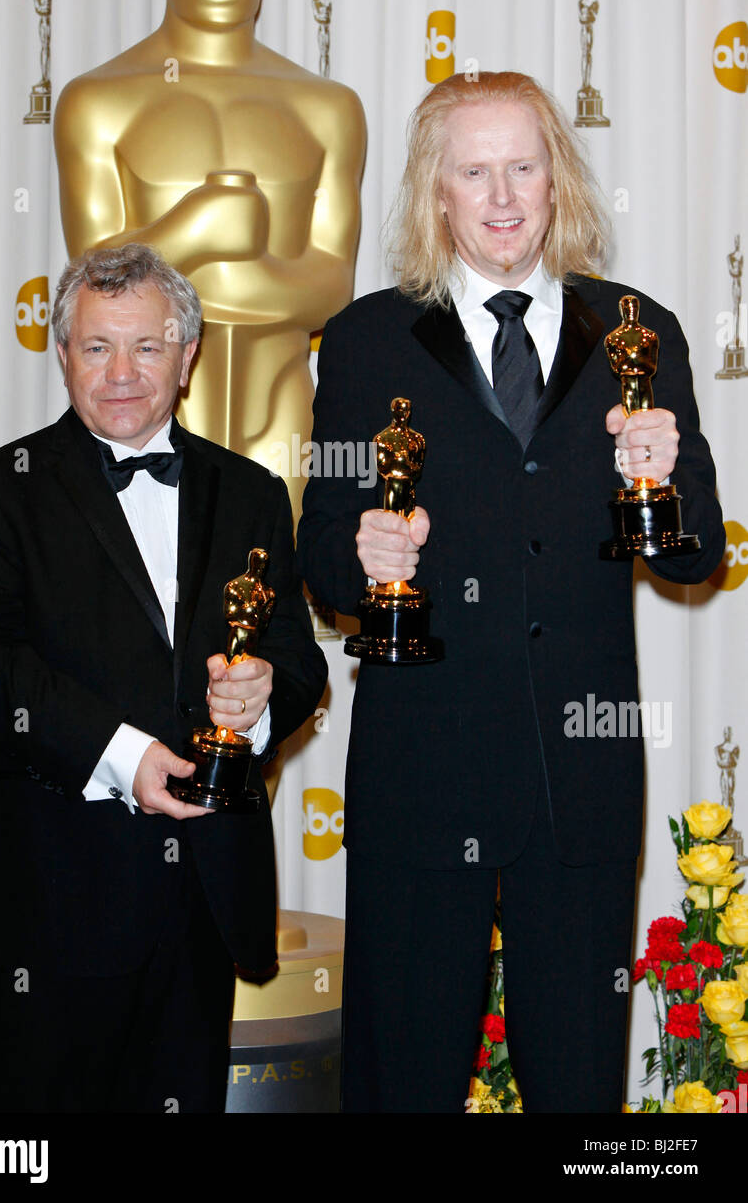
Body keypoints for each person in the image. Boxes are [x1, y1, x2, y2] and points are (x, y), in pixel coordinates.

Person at [296, 70, 725, 1113]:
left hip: (578, 780)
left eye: (521, 167)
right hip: (420, 775)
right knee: (402, 1081)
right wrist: (368, 559)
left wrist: (659, 481)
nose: (500, 195)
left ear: (556, 179)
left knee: (579, 1092)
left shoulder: (639, 330)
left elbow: (693, 555)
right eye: (473, 171)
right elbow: (319, 563)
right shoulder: (362, 340)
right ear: (434, 192)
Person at [0, 242, 326, 1113]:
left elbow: (297, 659)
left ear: (187, 356)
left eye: (146, 346)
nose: (120, 373)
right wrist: (122, 754)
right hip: (48, 905)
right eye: (96, 346)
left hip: (200, 905)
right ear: (61, 352)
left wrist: (256, 708)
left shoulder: (251, 489)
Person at [54, 0, 365, 521]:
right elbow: (95, 282)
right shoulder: (100, 102)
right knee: (146, 608)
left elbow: (332, 286)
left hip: (280, 400)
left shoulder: (325, 107)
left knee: (272, 601)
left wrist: (191, 259)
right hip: (139, 398)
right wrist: (198, 228)